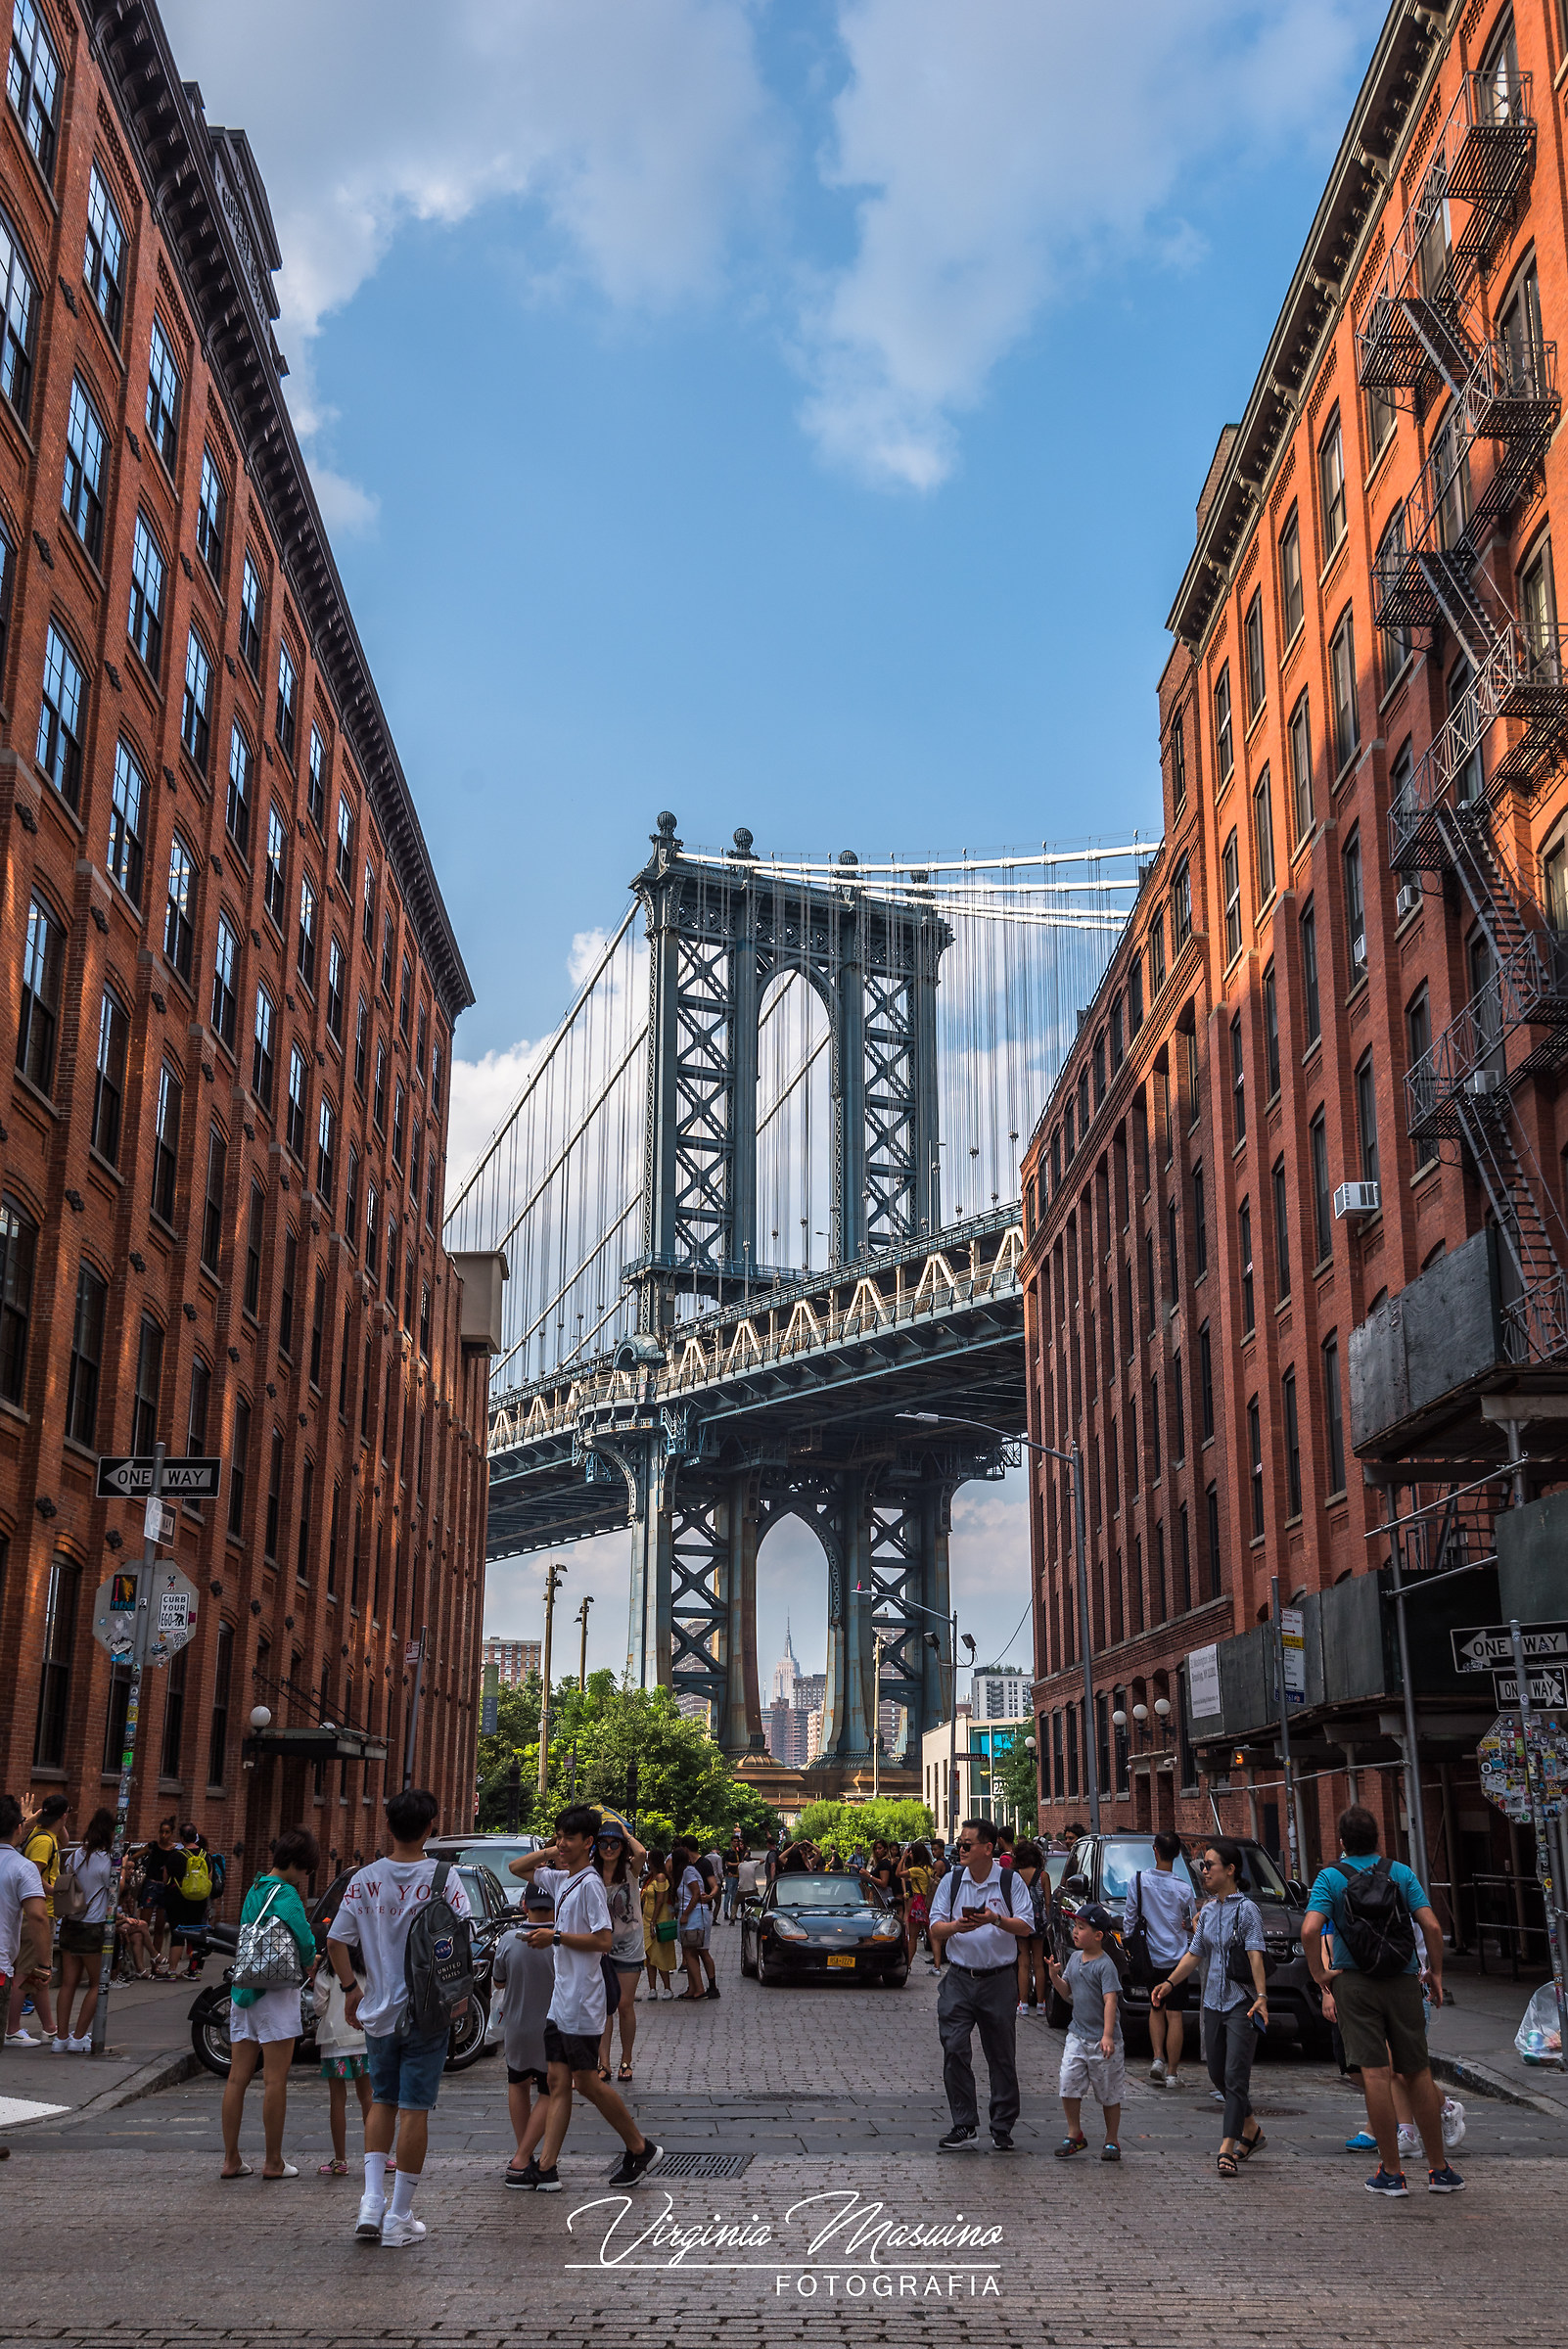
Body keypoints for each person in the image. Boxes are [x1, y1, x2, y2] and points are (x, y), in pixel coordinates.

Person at [326, 1786, 474, 2248]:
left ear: (387, 1826)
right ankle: (399, 2216)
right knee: (415, 2108)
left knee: (382, 2101)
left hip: (378, 2014)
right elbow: (462, 1939)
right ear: (430, 1828)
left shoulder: (363, 1879)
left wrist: (352, 1989)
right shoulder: (445, 1879)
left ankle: (370, 2202)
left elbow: (336, 1941)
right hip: (427, 2014)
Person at [1302, 1802, 1464, 2196]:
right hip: (1403, 1979)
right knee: (1417, 2071)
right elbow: (1431, 1924)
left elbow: (1309, 1930)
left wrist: (1321, 1975)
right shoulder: (1400, 1872)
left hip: (1354, 1982)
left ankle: (1391, 2173)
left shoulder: (1330, 1877)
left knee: (1375, 2073)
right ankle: (1439, 2170)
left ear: (1342, 1842)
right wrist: (1435, 1974)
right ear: (1378, 1839)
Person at [511, 1807, 661, 2193]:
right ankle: (546, 2168)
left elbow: (604, 1940)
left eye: (569, 1838)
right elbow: (516, 1867)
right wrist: (550, 1853)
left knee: (588, 2084)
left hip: (582, 2001)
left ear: (588, 1843)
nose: (562, 1843)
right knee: (559, 2081)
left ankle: (640, 2148)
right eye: (559, 1835)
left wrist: (555, 1938)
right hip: (562, 2001)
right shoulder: (565, 1879)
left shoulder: (591, 1885)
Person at [1152, 1839, 1267, 2177]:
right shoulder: (1209, 1910)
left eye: (1210, 1865)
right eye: (1203, 1865)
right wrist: (1170, 1982)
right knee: (1218, 2074)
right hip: (1212, 2003)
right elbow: (1194, 1953)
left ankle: (1226, 2148)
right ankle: (1253, 2131)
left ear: (1230, 1870)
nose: (1204, 1871)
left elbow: (1256, 1954)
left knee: (1234, 2076)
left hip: (1241, 2003)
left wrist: (1262, 1997)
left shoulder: (1247, 1910)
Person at [927, 1816, 1034, 2151]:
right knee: (954, 2047)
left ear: (988, 1848)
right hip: (959, 1977)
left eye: (966, 1845)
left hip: (999, 1979)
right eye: (959, 1844)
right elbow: (934, 1927)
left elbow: (1027, 1926)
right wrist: (957, 1926)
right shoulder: (952, 1880)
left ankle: (1002, 2125)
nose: (960, 1849)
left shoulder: (1009, 1881)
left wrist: (995, 1919)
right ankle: (964, 2124)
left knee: (1001, 2055)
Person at [220, 1825, 320, 2182]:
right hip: (276, 1993)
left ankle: (232, 2159)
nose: (306, 1876)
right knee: (275, 2079)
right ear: (295, 1863)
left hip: (244, 1992)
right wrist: (312, 1959)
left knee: (237, 2078)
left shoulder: (254, 1889)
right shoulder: (288, 1894)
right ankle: (273, 2161)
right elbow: (305, 1939)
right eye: (306, 1869)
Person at [492, 1880, 557, 2187]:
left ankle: (523, 2156)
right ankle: (522, 2157)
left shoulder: (508, 1938)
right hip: (551, 2027)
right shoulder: (563, 1939)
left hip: (516, 2026)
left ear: (524, 1906)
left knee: (517, 2084)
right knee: (550, 2090)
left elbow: (499, 1981)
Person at [1047, 1903, 1125, 2160]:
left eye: (1081, 1927)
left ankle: (1112, 2139)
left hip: (1104, 2040)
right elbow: (1066, 1992)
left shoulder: (1105, 1966)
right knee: (1068, 2082)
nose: (1075, 1932)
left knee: (1109, 2092)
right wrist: (1054, 1977)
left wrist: (1107, 2035)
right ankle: (1074, 2133)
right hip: (1077, 2035)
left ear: (1099, 1935)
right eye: (1075, 1927)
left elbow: (1110, 2001)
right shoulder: (1073, 1959)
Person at [1124, 1830, 1195, 2089]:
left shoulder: (1139, 1880)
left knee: (1155, 2008)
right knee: (1175, 2015)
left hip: (1150, 1956)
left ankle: (1157, 2058)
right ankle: (1173, 2074)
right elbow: (1190, 1923)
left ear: (1155, 1851)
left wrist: (1130, 1945)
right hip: (1177, 1958)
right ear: (1177, 1855)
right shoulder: (1184, 1889)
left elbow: (1129, 1920)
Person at [53, 1806, 118, 2050]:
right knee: (96, 1983)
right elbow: (115, 1890)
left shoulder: (76, 1855)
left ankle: (61, 2038)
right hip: (93, 1926)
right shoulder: (107, 1860)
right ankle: (79, 2037)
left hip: (71, 1923)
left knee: (68, 1982)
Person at [11, 1793, 69, 2045]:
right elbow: (33, 1874)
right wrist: (58, 1891)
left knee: (39, 1975)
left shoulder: (49, 1836)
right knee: (24, 1974)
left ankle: (49, 2028)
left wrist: (57, 1818)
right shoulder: (44, 1841)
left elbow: (64, 1842)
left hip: (46, 1911)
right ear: (64, 1814)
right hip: (37, 1913)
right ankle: (11, 2029)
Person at [312, 1944, 374, 2179]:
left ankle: (340, 2160)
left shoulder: (327, 1968)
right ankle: (376, 2157)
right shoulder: (367, 1963)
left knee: (337, 2100)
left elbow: (318, 2008)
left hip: (334, 2041)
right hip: (363, 2036)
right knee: (368, 2096)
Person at [596, 1817, 649, 2081]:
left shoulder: (631, 1870)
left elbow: (641, 1852)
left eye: (613, 1843)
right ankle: (603, 2063)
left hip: (629, 1946)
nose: (608, 1848)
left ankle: (625, 2060)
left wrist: (623, 1832)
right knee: (605, 2006)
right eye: (603, 1842)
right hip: (599, 1948)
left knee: (624, 2005)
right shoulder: (590, 1873)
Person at [1, 1795, 47, 2047]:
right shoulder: (23, 1867)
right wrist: (44, 1964)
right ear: (19, 1828)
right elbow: (38, 1916)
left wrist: (21, 1824)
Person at [164, 1822, 214, 1977]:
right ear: (195, 1836)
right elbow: (209, 1878)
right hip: (199, 1900)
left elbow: (165, 1878)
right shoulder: (205, 1856)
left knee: (178, 1933)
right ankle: (194, 1970)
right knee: (196, 1933)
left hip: (178, 1899)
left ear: (181, 1838)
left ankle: (172, 1970)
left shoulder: (175, 1856)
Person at [136, 1815, 183, 1976]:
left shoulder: (176, 1849)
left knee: (159, 1927)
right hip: (151, 1885)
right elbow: (136, 1856)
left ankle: (155, 1965)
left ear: (172, 1833)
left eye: (167, 1832)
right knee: (144, 1923)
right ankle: (141, 1964)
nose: (164, 1836)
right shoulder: (153, 1846)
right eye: (161, 1832)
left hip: (165, 1887)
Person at [1010, 1840, 1049, 2017]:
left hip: (1020, 1921)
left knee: (1023, 1963)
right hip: (1039, 1922)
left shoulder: (1014, 1875)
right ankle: (1041, 2004)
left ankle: (1023, 2003)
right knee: (1039, 1963)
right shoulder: (1043, 1876)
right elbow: (1047, 1903)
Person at [676, 1839, 717, 2001]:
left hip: (699, 1913)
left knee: (702, 1951)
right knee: (692, 1951)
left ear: (686, 1849)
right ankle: (694, 1987)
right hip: (695, 1912)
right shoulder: (687, 1869)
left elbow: (714, 1885)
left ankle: (710, 1986)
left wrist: (710, 1896)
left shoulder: (701, 1865)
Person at [641, 1850, 678, 1999]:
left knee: (660, 1954)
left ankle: (667, 1988)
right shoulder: (650, 1877)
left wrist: (653, 1921)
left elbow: (660, 1900)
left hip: (659, 1919)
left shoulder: (661, 1877)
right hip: (646, 1918)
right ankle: (652, 1988)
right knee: (649, 1955)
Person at [903, 1841, 934, 1966]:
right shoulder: (930, 1869)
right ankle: (937, 1963)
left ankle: (908, 1964)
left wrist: (904, 1858)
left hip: (918, 1903)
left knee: (913, 1937)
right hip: (929, 1903)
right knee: (931, 1934)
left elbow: (899, 1874)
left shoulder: (917, 1870)